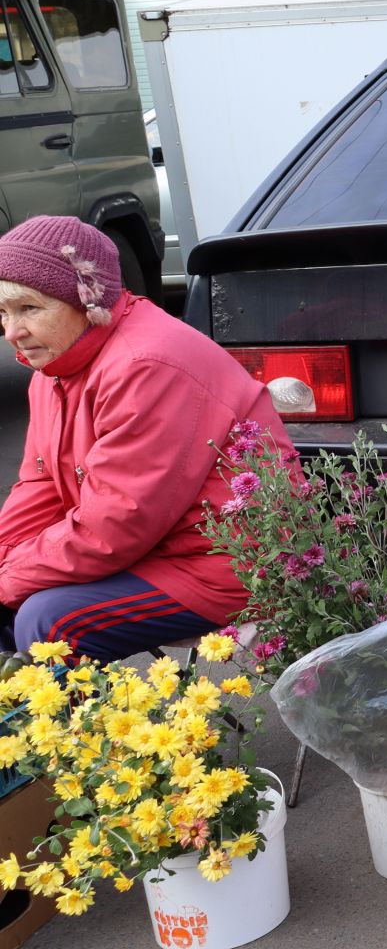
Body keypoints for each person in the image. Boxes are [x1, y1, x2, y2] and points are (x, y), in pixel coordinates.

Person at [0, 217, 294, 659]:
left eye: (29, 309)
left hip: (227, 563)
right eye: (2, 312)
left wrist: (10, 579)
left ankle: (73, 729)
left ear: (88, 301)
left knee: (51, 620)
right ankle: (20, 727)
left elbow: (118, 523)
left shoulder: (144, 364)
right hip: (155, 547)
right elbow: (39, 487)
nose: (11, 332)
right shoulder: (56, 365)